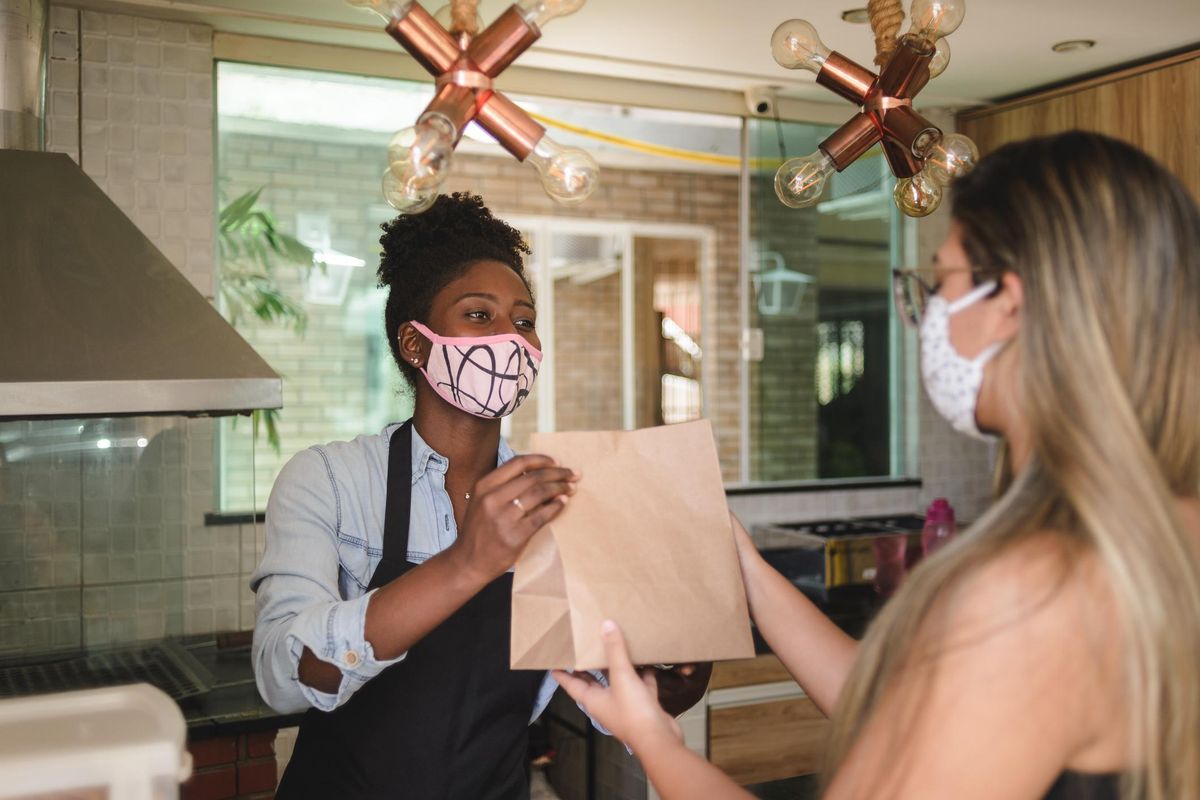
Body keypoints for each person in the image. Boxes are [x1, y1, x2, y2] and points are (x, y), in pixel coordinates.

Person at [555, 131, 1200, 800]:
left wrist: (653, 736)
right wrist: (743, 567)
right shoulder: (1165, 538)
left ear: (1008, 301)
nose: (930, 313)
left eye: (941, 279)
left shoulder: (1035, 588)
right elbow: (907, 713)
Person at [251, 193, 710, 799]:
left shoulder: (557, 495)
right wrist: (468, 563)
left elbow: (604, 689)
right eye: (478, 315)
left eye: (523, 321)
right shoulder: (330, 481)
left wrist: (672, 676)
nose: (509, 339)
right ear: (415, 345)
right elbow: (284, 675)